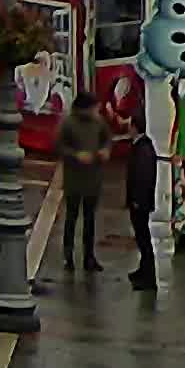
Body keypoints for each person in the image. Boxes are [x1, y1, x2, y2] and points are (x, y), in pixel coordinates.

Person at [52, 99, 112, 276]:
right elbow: (58, 146)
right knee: (71, 218)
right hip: (74, 179)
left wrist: (105, 150)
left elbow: (107, 139)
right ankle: (68, 256)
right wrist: (76, 155)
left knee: (90, 220)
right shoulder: (68, 124)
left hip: (93, 179)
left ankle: (89, 257)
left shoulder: (99, 122)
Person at [122, 121, 163, 295]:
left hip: (140, 202)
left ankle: (148, 278)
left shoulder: (143, 149)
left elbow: (143, 177)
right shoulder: (141, 146)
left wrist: (138, 199)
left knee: (143, 238)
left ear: (135, 127)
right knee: (141, 237)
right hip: (138, 200)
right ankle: (143, 271)